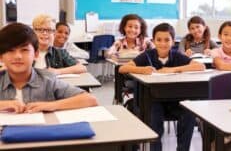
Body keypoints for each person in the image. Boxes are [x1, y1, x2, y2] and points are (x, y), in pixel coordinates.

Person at [119, 23, 205, 151]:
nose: (163, 43)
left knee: (189, 113)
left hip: (175, 102)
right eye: (159, 40)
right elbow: (122, 68)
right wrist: (143, 69)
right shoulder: (147, 55)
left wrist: (173, 69)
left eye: (167, 40)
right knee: (155, 117)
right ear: (153, 41)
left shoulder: (176, 55)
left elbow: (200, 66)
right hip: (153, 102)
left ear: (172, 42)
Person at [0, 23, 98, 113]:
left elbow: (90, 99)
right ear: (1, 57)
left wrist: (52, 105)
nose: (18, 56)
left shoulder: (47, 80)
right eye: (10, 51)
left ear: (36, 54)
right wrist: (3, 104)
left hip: (40, 130)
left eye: (24, 50)